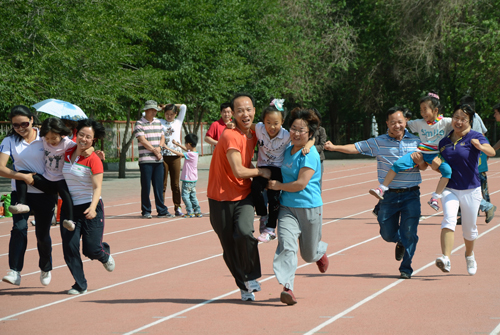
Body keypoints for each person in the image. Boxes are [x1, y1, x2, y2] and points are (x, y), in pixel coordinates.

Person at [325, 106, 426, 279]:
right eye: (393, 122)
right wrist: (335, 148)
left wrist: (420, 161)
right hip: (388, 195)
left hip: (411, 194)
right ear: (387, 123)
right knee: (387, 234)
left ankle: (406, 268)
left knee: (410, 231)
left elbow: (424, 166)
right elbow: (357, 147)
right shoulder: (379, 142)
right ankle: (400, 240)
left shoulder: (416, 142)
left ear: (406, 122)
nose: (397, 125)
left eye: (400, 122)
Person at [207, 93, 271, 302]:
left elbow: (282, 131)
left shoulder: (255, 132)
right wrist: (261, 172)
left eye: (249, 109)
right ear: (232, 114)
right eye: (240, 110)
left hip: (243, 194)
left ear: (254, 110)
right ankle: (243, 285)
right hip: (220, 197)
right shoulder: (229, 136)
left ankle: (251, 276)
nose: (245, 114)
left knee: (244, 232)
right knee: (229, 246)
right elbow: (238, 170)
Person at [268, 107, 328, 305]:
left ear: (309, 134)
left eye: (301, 130)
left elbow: (301, 183)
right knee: (287, 246)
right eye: (293, 128)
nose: (295, 133)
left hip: (310, 207)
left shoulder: (309, 155)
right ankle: (288, 288)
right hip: (287, 208)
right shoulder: (286, 150)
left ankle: (319, 252)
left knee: (308, 255)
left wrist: (279, 186)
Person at [0, 105, 57, 287]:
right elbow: (1, 167)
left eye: (24, 123)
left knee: (42, 235)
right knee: (19, 228)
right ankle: (15, 271)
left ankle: (45, 267)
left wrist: (92, 152)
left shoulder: (44, 137)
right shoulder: (9, 141)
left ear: (32, 120)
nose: (20, 128)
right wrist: (21, 176)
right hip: (21, 193)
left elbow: (68, 148)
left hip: (44, 192)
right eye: (16, 125)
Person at [435, 104, 495, 275]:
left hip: (471, 189)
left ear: (470, 121)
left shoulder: (475, 137)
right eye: (456, 117)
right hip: (450, 189)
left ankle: (469, 255)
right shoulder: (444, 142)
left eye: (463, 119)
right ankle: (446, 258)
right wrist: (436, 165)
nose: (459, 121)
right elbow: (441, 165)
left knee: (469, 229)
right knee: (449, 219)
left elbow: (490, 151)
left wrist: (480, 146)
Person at [368, 92, 452, 212]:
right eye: (421, 110)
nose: (422, 113)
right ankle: (382, 188)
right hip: (420, 153)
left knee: (448, 172)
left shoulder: (445, 122)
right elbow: (401, 123)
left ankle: (435, 197)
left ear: (435, 110)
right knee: (397, 164)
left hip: (437, 155)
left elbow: (460, 125)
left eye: (425, 110)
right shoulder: (419, 123)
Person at [60, 118, 115, 294]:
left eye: (88, 137)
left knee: (91, 250)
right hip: (70, 209)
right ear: (76, 134)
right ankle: (80, 284)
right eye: (81, 135)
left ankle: (103, 254)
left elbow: (97, 187)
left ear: (94, 140)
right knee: (69, 247)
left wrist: (92, 207)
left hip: (91, 206)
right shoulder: (67, 152)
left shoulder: (94, 159)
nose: (84, 139)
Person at [251, 98, 314, 243]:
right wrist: (233, 123)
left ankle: (270, 229)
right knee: (255, 188)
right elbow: (246, 125)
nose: (271, 127)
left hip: (278, 169)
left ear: (282, 122)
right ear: (263, 122)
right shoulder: (259, 128)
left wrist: (308, 145)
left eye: (276, 123)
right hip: (262, 167)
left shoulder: (286, 135)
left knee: (274, 199)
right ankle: (263, 215)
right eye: (268, 123)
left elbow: (311, 138)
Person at [8, 118, 79, 231]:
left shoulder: (68, 144)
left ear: (61, 133)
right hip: (46, 180)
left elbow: (82, 148)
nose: (50, 141)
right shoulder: (43, 140)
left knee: (66, 196)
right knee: (22, 174)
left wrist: (92, 150)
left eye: (54, 138)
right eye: (47, 138)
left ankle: (70, 220)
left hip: (60, 180)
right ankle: (22, 203)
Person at [134, 100, 172, 219]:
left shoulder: (158, 123)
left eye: (156, 110)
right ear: (147, 110)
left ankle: (161, 210)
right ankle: (146, 210)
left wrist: (160, 148)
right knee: (146, 186)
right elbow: (142, 140)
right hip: (146, 159)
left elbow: (162, 136)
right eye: (153, 110)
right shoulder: (139, 123)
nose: (155, 112)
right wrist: (155, 150)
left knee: (159, 186)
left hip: (158, 160)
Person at [163, 134, 202, 218]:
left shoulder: (190, 155)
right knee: (192, 196)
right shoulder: (195, 153)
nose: (185, 145)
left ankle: (190, 211)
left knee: (185, 196)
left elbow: (179, 154)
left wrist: (169, 148)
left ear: (188, 144)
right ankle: (197, 210)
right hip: (193, 179)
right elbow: (186, 150)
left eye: (185, 143)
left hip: (187, 179)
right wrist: (178, 145)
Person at [160, 103, 187, 216]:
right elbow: (144, 113)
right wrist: (161, 107)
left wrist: (170, 105)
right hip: (163, 156)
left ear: (176, 114)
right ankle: (161, 207)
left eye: (171, 114)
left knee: (175, 184)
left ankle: (178, 207)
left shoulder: (178, 122)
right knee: (162, 184)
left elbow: (184, 107)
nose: (169, 116)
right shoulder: (160, 122)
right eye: (167, 114)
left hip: (175, 156)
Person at [311, 108, 327, 190]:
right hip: (306, 159)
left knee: (318, 182)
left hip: (318, 159)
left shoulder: (321, 130)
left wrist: (309, 148)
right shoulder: (304, 130)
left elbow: (322, 145)